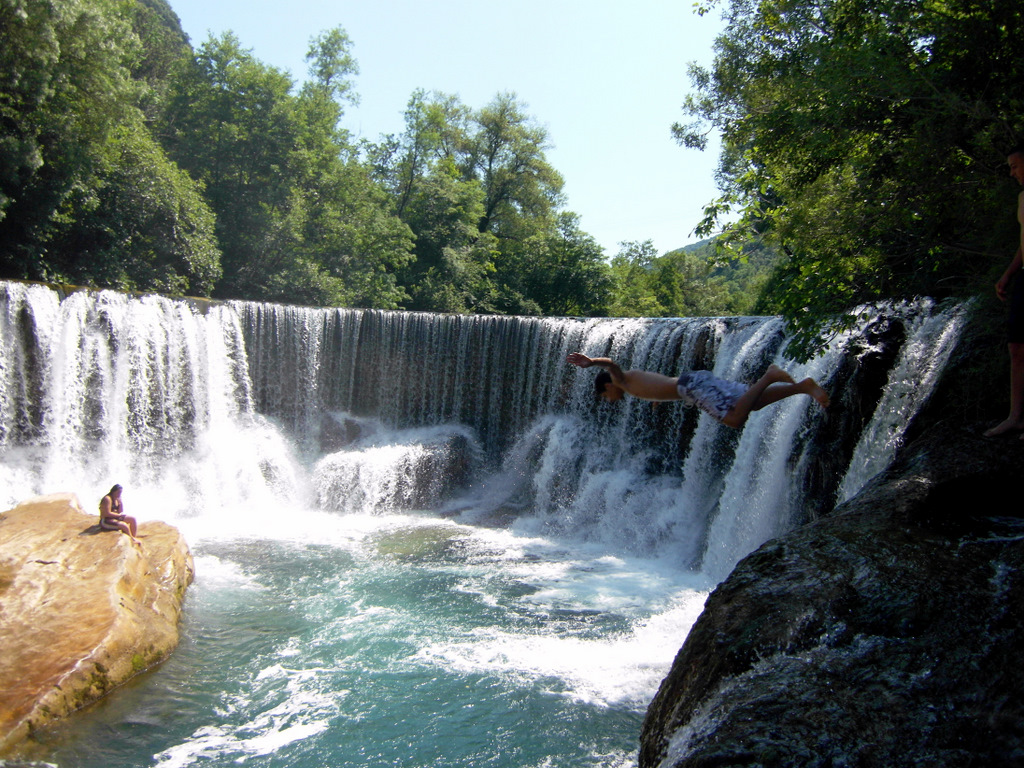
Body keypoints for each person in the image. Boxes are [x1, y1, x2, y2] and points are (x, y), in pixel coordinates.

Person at [566, 352, 829, 429]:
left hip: (691, 387)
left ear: (608, 385)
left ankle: (770, 376)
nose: (609, 400)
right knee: (753, 403)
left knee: (735, 419)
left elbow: (612, 363)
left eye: (605, 395)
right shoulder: (633, 385)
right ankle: (802, 387)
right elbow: (660, 387)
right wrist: (660, 400)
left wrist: (592, 362)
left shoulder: (620, 380)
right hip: (692, 384)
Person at [985, 144, 1024, 437]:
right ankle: (1015, 416)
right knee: (1016, 347)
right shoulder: (1023, 198)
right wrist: (1008, 274)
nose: (1012, 173)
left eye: (1015, 166)